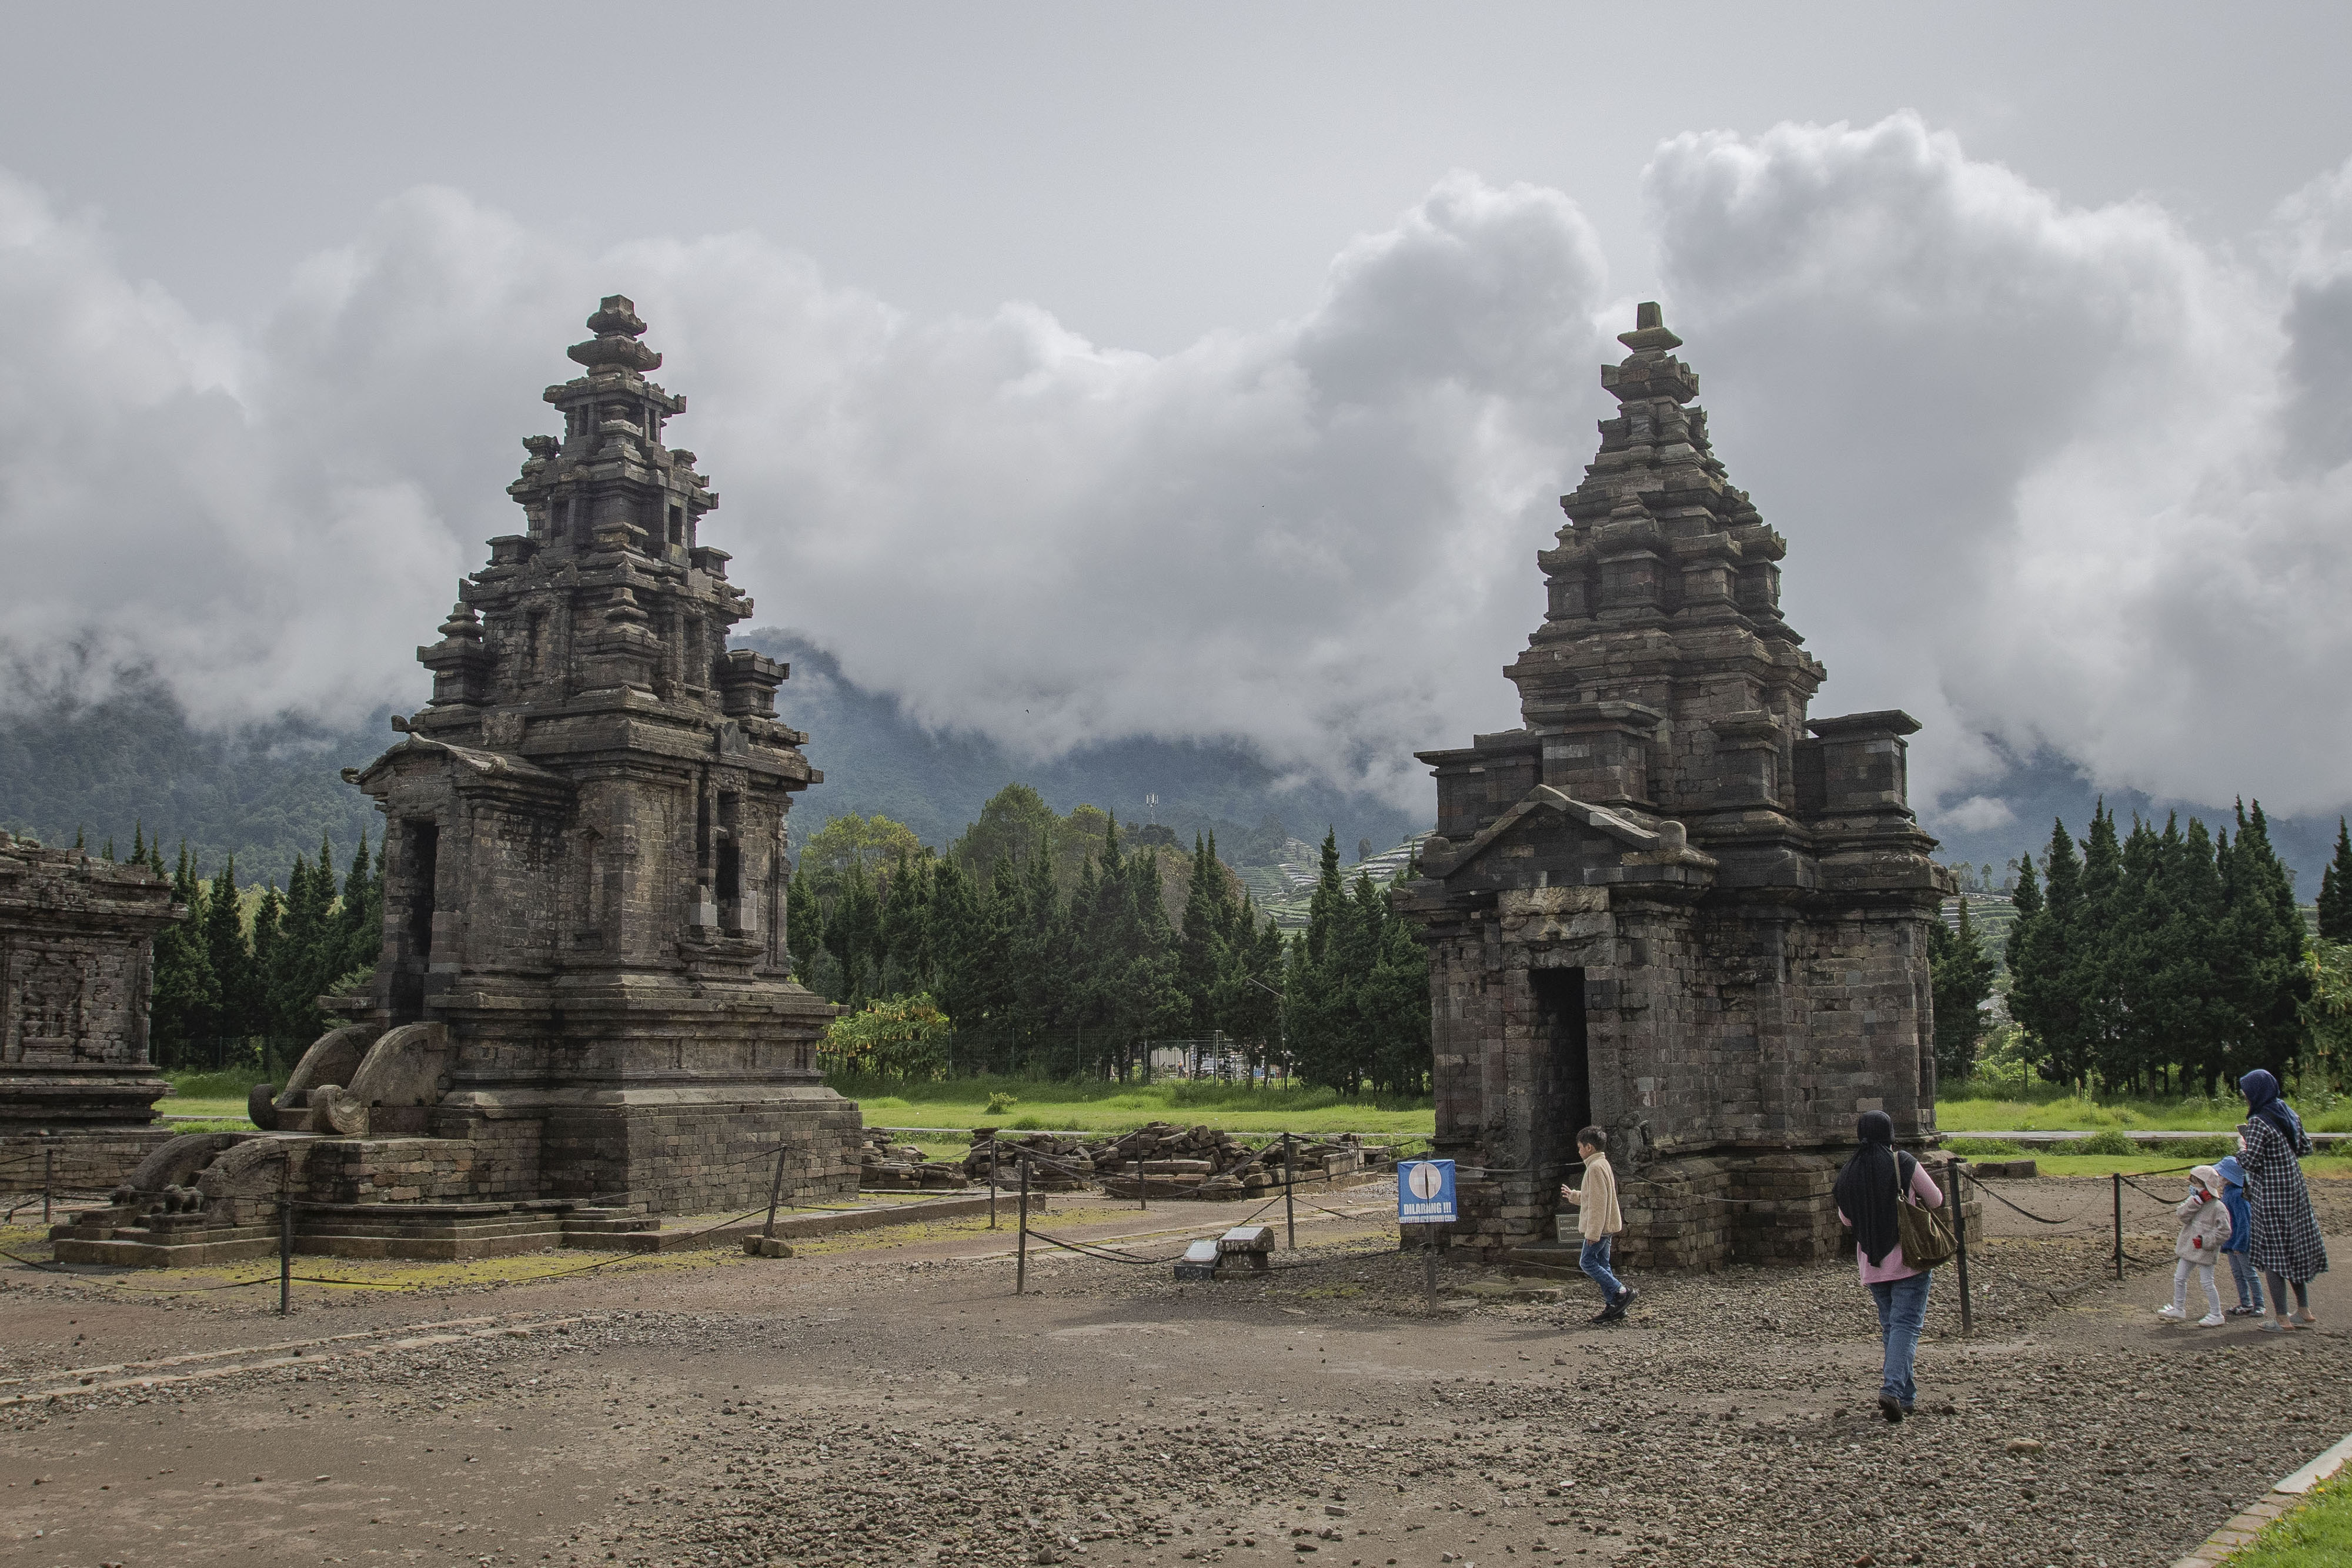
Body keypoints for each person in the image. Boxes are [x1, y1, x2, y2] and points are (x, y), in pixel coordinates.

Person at [1832, 1110, 1946, 1423]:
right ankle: (1893, 1389)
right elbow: (1935, 1200)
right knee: (1907, 1327)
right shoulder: (1902, 1162)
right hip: (1909, 1258)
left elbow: (1846, 1219)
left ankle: (1906, 1398)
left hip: (1872, 1263)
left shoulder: (1848, 1172)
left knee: (1892, 1328)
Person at [2238, 1069, 2328, 1331]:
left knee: (2274, 1253)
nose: (2244, 1095)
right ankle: (2304, 1310)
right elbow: (2305, 1148)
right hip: (2296, 1191)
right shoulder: (2288, 1112)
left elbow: (2252, 1162)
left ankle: (2281, 1319)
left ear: (2255, 1091)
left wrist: (2241, 1148)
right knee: (2295, 1248)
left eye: (2246, 1090)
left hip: (2271, 1194)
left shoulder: (2258, 1121)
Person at [1557, 1125, 1636, 1324]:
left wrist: (1593, 1233)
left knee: (1587, 1263)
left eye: (1580, 1147)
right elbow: (1595, 1197)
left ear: (1589, 1147)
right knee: (1602, 1264)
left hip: (1599, 1228)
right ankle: (1614, 1306)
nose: (1579, 1151)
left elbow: (1598, 1205)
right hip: (1606, 1227)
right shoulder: (1602, 1164)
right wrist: (1574, 1195)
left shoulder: (1594, 1168)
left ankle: (1621, 1291)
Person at [2158, 1164, 2230, 1326]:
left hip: (2205, 1250)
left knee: (2207, 1282)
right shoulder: (2195, 1201)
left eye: (2196, 1183)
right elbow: (2181, 1215)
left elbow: (2225, 1232)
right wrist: (2196, 1202)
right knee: (2179, 1278)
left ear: (2205, 1185)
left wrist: (2205, 1241)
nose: (2192, 1186)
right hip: (2189, 1249)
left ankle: (2216, 1314)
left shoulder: (2219, 1207)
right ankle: (2179, 1308)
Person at [2215, 1154, 2266, 1318]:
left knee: (2249, 1273)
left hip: (2241, 1244)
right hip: (2232, 1242)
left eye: (2222, 1174)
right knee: (2238, 1274)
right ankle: (2246, 1303)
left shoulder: (2238, 1196)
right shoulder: (2229, 1192)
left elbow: (2245, 1223)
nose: (2219, 1176)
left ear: (2230, 1177)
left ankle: (2260, 1304)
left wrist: (2240, 1245)